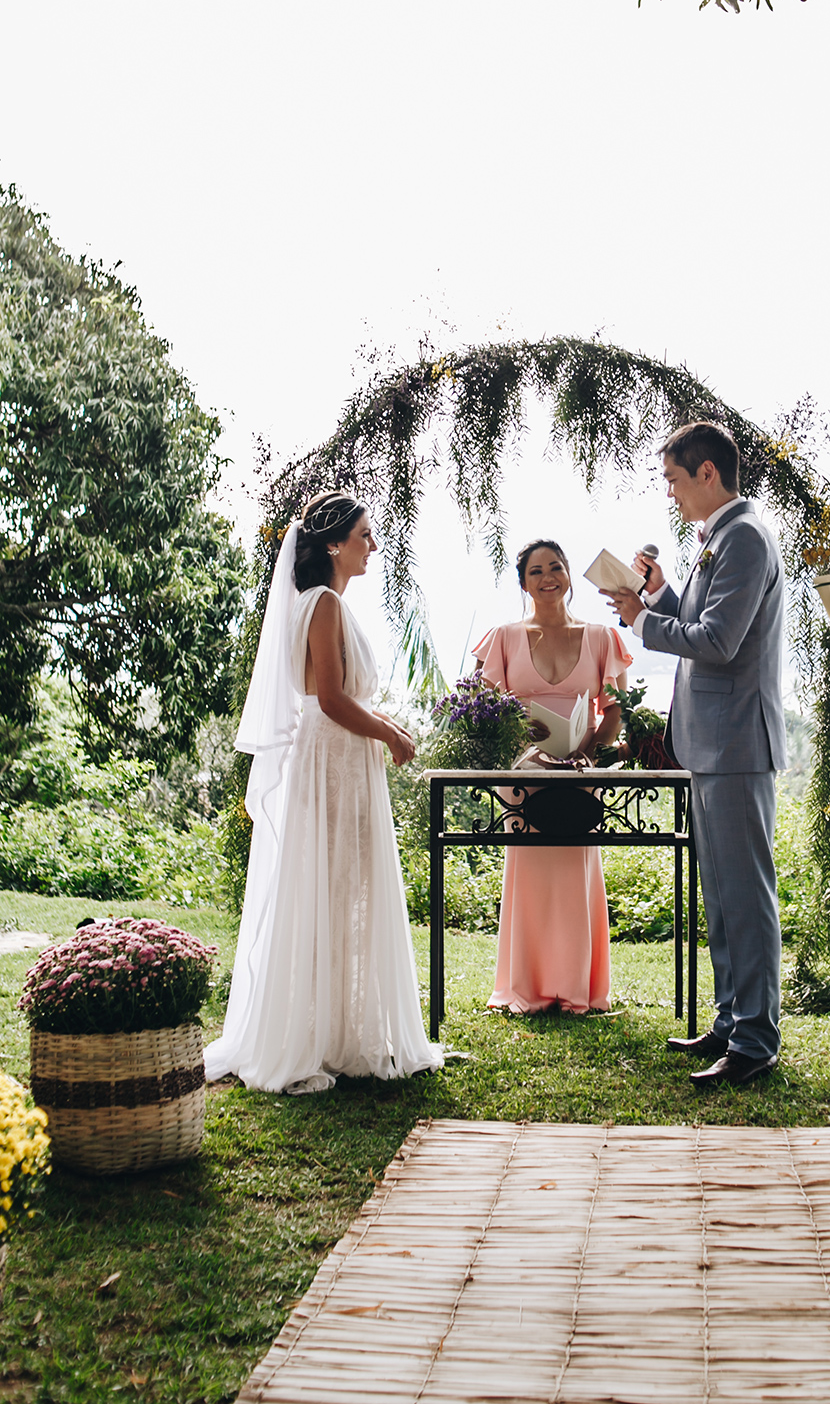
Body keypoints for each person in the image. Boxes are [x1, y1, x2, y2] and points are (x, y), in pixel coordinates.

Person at [204, 491, 442, 1093]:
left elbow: (338, 697)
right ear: (335, 543)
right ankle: (319, 1038)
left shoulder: (319, 603)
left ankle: (339, 1031)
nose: (373, 545)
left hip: (336, 754)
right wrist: (391, 735)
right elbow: (332, 701)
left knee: (337, 887)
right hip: (332, 756)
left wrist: (385, 725)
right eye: (365, 534)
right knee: (335, 884)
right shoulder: (326, 604)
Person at [602, 423, 787, 1087]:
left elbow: (717, 641)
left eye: (675, 480)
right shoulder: (723, 538)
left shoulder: (744, 538)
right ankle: (731, 1020)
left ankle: (756, 1042)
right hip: (714, 742)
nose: (672, 495)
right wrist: (653, 596)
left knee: (745, 894)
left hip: (737, 740)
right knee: (723, 895)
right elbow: (703, 618)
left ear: (708, 473)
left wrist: (640, 623)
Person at [473, 540, 632, 1014]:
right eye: (536, 570)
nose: (548, 577)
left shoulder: (603, 637)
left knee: (575, 873)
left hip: (581, 771)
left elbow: (617, 710)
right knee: (531, 875)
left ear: (567, 574)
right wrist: (523, 743)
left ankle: (577, 987)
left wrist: (588, 750)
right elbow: (484, 712)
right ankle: (527, 987)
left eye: (556, 567)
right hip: (525, 772)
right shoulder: (503, 636)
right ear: (523, 582)